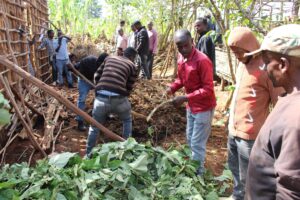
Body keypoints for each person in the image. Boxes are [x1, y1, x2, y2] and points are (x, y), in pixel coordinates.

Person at [227, 27, 283, 200]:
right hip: (234, 130)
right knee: (235, 170)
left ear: (250, 47)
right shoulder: (243, 65)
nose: (237, 56)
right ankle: (238, 195)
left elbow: (280, 102)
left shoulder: (266, 68)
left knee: (249, 177)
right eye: (234, 52)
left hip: (250, 136)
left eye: (239, 52)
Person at [245, 24, 300, 199]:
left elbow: (290, 191)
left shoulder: (295, 117)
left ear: (283, 64)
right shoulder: (290, 99)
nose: (264, 68)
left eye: (267, 62)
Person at [166, 30, 216, 175]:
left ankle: (198, 174)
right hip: (191, 107)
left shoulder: (203, 60)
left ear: (192, 41)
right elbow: (181, 80)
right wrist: (172, 88)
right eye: (179, 47)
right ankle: (192, 167)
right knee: (189, 139)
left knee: (197, 143)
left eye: (185, 46)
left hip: (204, 108)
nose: (183, 50)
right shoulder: (181, 59)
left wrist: (185, 98)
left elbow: (208, 89)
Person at [86, 47, 138, 156]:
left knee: (95, 126)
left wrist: (98, 89)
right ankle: (126, 150)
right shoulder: (132, 66)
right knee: (127, 120)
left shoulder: (109, 58)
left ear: (123, 53)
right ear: (132, 57)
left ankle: (88, 154)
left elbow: (96, 75)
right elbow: (129, 87)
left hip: (100, 99)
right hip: (119, 100)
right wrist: (123, 98)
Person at [67, 53, 109, 131]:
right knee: (82, 99)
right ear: (97, 60)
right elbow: (75, 67)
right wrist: (71, 67)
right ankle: (80, 121)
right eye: (100, 64)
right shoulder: (87, 60)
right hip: (84, 81)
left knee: (101, 97)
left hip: (96, 82)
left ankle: (100, 116)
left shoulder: (107, 67)